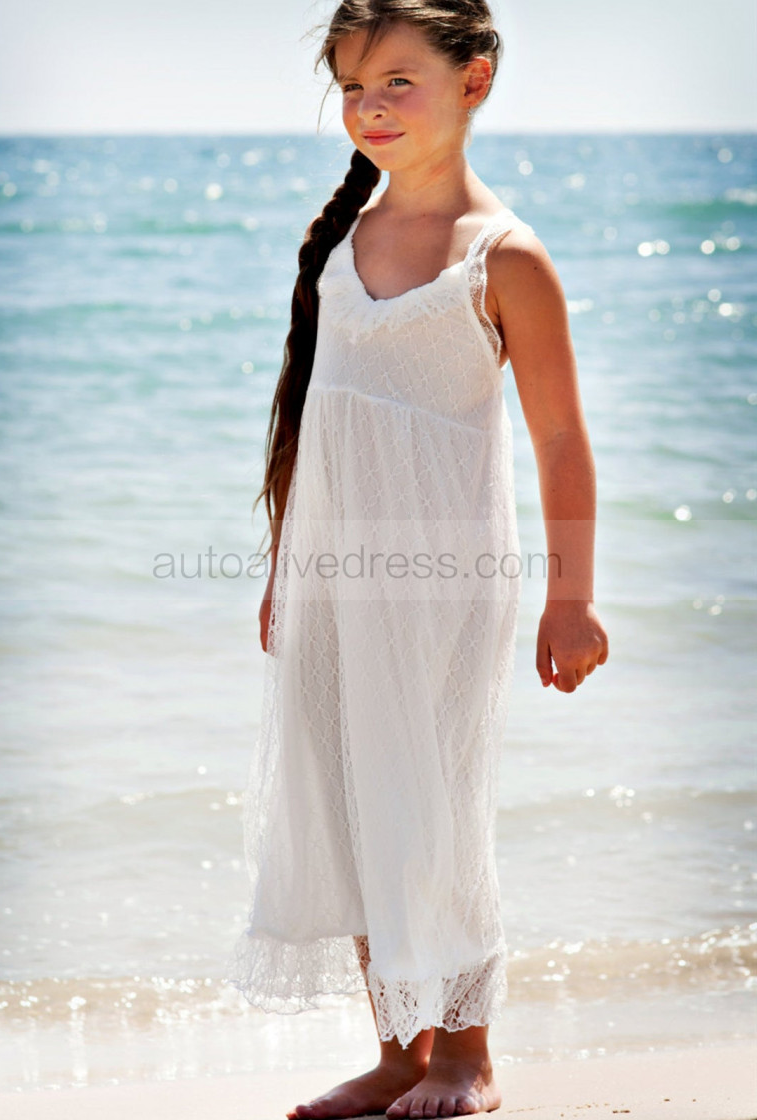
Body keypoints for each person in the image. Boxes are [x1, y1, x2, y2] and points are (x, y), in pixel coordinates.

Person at [225, 1, 609, 1116]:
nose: (369, 107)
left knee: (432, 802)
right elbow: (313, 418)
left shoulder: (504, 256)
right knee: (349, 802)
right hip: (330, 579)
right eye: (351, 86)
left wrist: (570, 598)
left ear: (473, 80)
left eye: (396, 81)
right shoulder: (341, 242)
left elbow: (558, 438)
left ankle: (464, 1054)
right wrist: (280, 568)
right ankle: (398, 1048)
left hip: (444, 580)